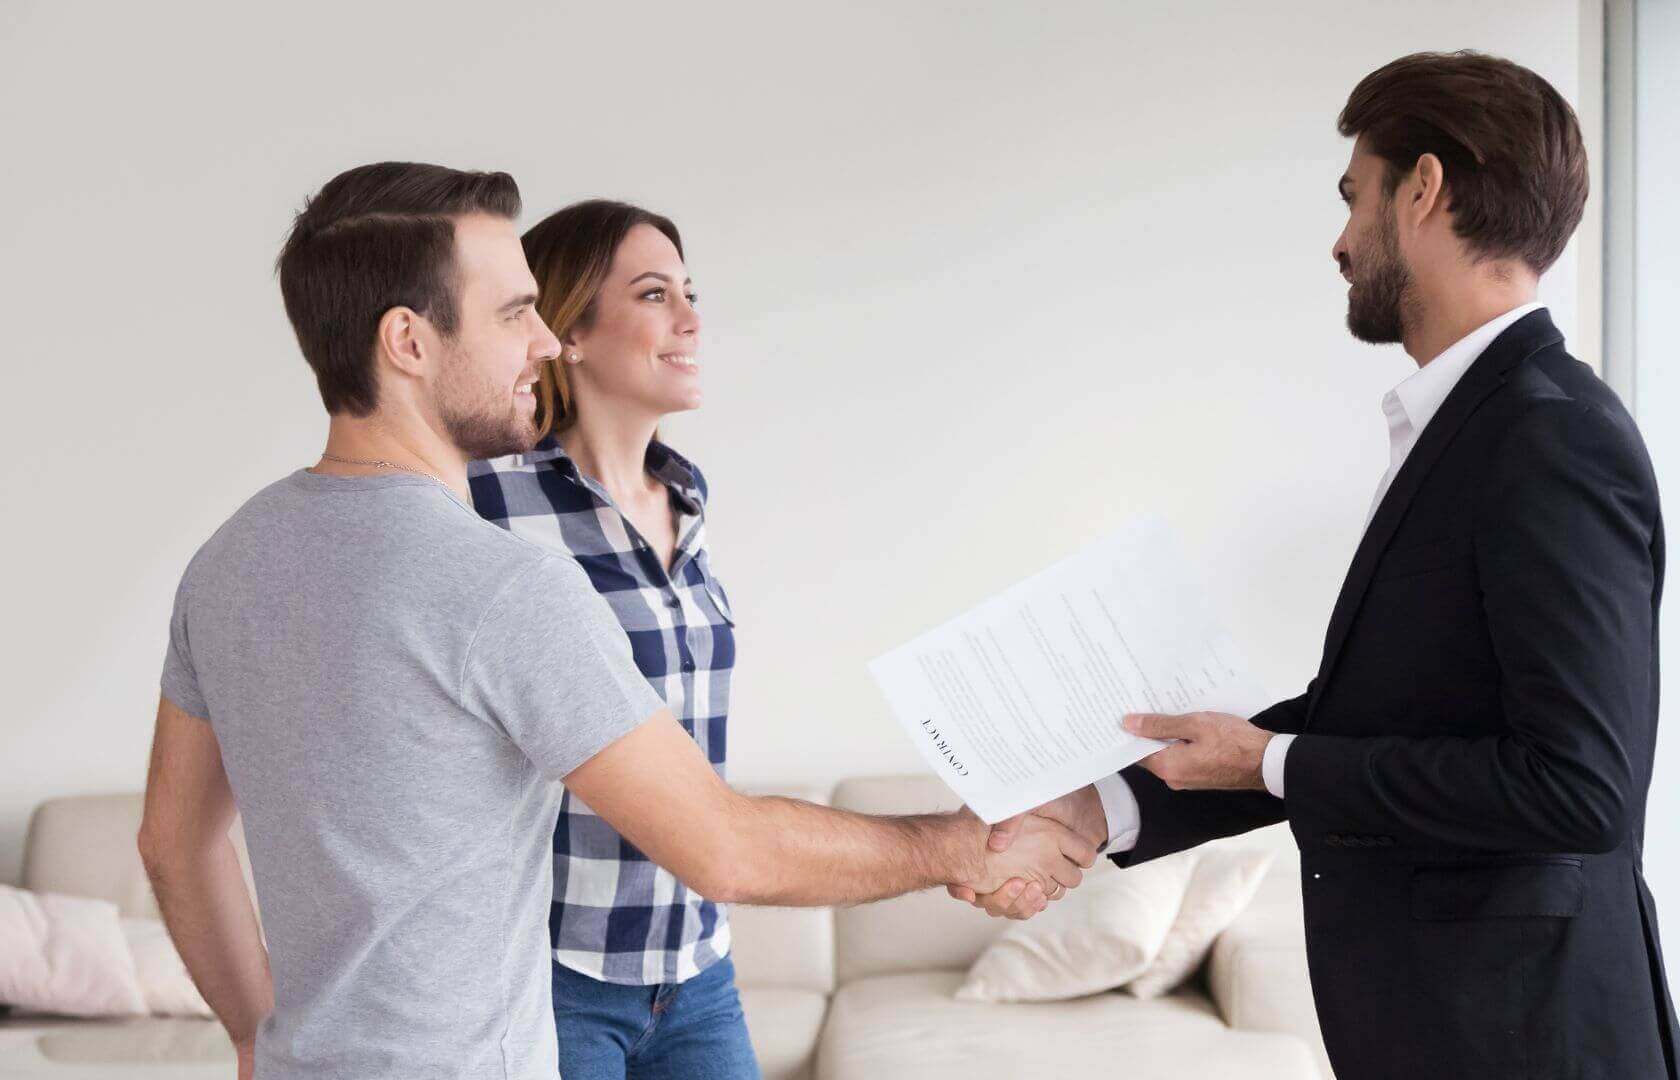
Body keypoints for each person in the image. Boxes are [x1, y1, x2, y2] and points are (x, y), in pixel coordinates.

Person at [136, 161, 1091, 1080]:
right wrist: (953, 846)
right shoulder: (502, 583)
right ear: (408, 343)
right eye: (514, 313)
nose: (544, 343)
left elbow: (173, 844)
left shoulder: (224, 564)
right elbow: (724, 847)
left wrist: (256, 1035)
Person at [958, 52, 1680, 1079]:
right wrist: (1101, 808)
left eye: (1356, 198)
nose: (1340, 242)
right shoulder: (1481, 426)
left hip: (1525, 1042)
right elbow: (1392, 722)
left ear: (1424, 190)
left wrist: (1262, 760)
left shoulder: (1549, 437)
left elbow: (1578, 788)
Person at [466, 199, 751, 1079]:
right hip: (556, 974)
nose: (691, 320)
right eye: (656, 294)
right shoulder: (487, 502)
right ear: (571, 332)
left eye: (689, 294)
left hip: (697, 967)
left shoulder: (689, 501)